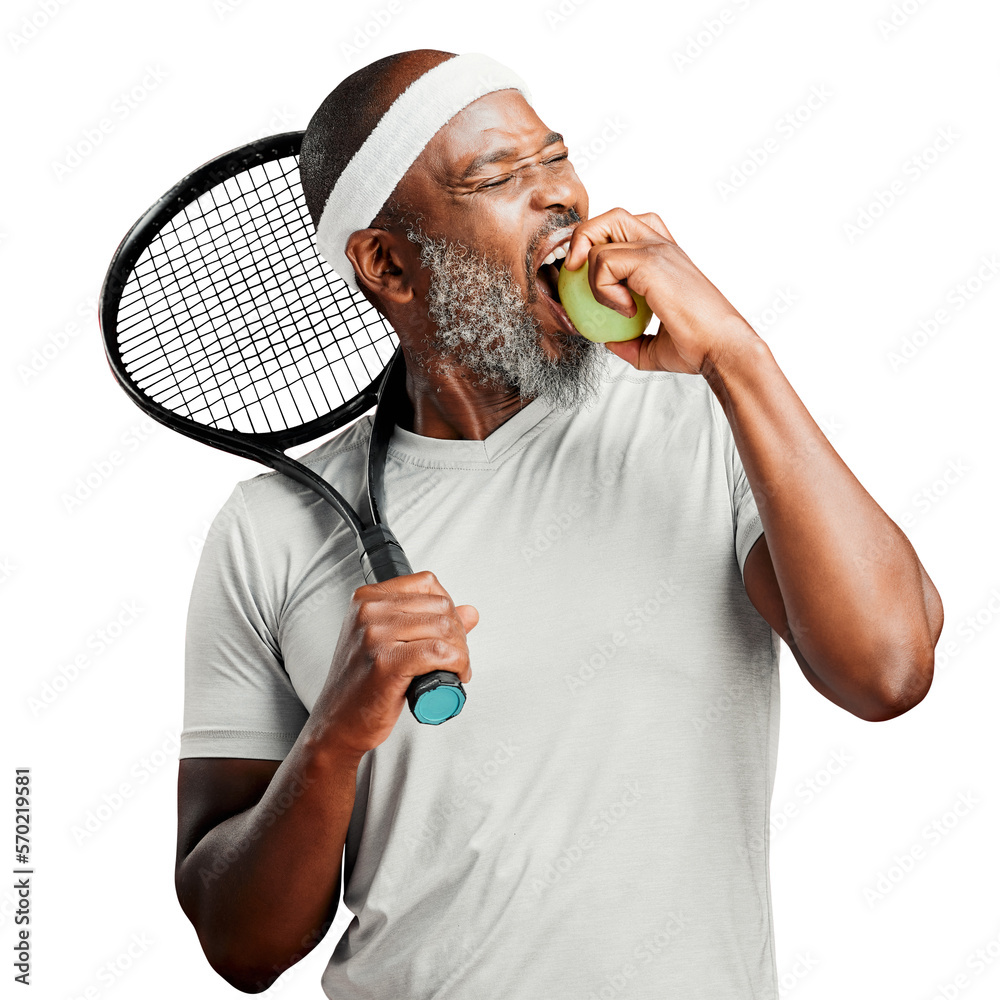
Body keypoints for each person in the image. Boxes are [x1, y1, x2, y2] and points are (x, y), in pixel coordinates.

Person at [173, 49, 943, 998]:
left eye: (556, 159)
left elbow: (888, 668)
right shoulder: (271, 532)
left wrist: (739, 357)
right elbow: (239, 943)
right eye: (499, 177)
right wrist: (333, 736)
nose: (561, 199)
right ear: (387, 264)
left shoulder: (701, 418)